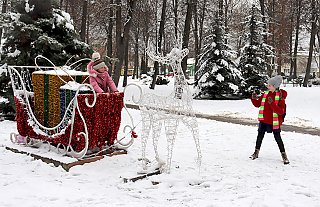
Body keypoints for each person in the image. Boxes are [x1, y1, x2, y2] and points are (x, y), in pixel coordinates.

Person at [250, 75, 289, 164]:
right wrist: (253, 99)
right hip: (264, 120)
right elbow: (258, 104)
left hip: (274, 121)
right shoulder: (265, 94)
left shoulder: (280, 97)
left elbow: (281, 111)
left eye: (269, 85)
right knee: (260, 136)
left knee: (278, 138)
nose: (267, 87)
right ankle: (256, 152)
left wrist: (272, 104)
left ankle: (284, 155)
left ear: (275, 86)